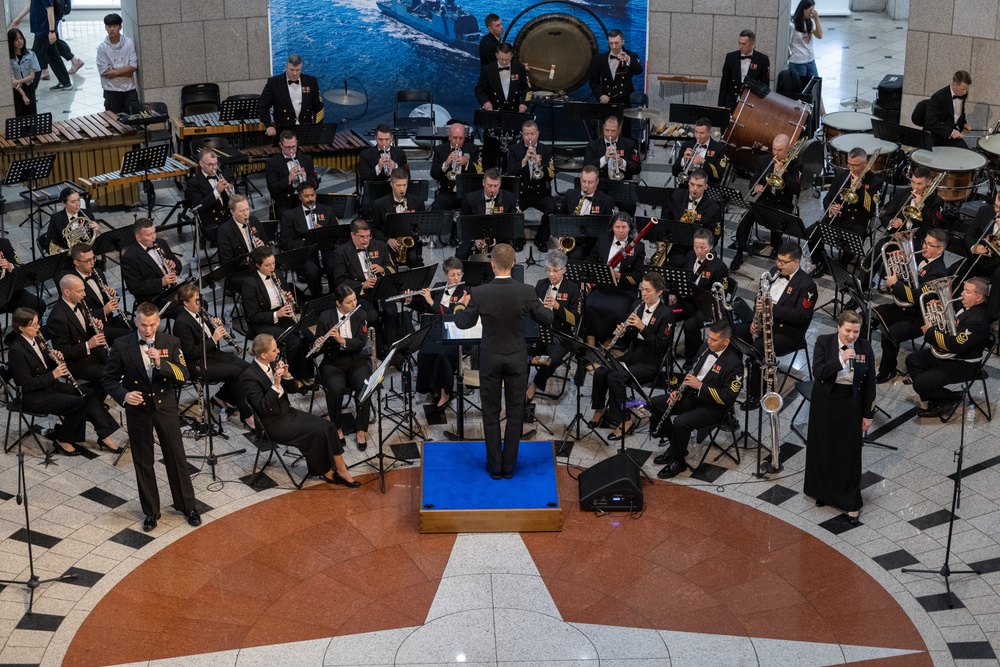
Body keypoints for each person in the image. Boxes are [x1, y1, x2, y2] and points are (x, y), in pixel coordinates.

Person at [453, 243, 553, 479]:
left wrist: (460, 304)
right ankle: (509, 468)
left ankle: (494, 468)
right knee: (516, 412)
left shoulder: (479, 293)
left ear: (492, 264)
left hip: (490, 358)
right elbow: (547, 318)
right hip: (517, 358)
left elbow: (462, 323)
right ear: (514, 264)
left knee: (491, 413)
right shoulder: (527, 291)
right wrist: (545, 304)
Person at [103, 302, 201, 532]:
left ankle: (188, 506)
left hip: (164, 405)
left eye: (152, 324)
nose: (148, 330)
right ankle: (150, 511)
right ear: (136, 321)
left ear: (158, 322)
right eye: (144, 325)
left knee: (175, 455)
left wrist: (161, 362)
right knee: (143, 460)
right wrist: (125, 395)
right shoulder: (121, 344)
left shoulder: (170, 341)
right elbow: (108, 379)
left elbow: (183, 375)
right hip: (138, 409)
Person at [241, 334, 359, 486]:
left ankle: (341, 469)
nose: (278, 352)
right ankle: (327, 471)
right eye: (274, 350)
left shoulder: (273, 363)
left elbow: (292, 390)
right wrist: (276, 384)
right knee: (316, 432)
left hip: (287, 413)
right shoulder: (249, 376)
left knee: (329, 426)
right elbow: (263, 407)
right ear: (264, 355)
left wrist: (287, 375)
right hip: (272, 423)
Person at [9, 307, 121, 456]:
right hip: (32, 397)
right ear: (21, 328)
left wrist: (54, 358)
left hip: (48, 386)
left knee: (88, 393)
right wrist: (54, 375)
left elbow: (43, 364)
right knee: (78, 403)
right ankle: (64, 439)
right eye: (34, 325)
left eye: (38, 323)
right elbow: (26, 385)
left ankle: (105, 436)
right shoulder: (16, 350)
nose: (38, 327)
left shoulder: (36, 338)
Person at [804, 310, 874, 525]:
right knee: (823, 447)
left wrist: (868, 414)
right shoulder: (824, 342)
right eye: (848, 331)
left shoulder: (865, 347)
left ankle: (850, 503)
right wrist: (840, 359)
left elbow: (870, 383)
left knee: (848, 453)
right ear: (838, 327)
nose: (852, 335)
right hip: (826, 402)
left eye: (856, 331)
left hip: (850, 403)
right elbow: (819, 371)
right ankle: (823, 493)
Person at [650, 320, 742, 478]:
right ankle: (675, 447)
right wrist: (678, 390)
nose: (709, 342)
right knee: (655, 404)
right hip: (691, 395)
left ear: (726, 341)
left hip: (713, 407)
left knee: (681, 421)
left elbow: (728, 398)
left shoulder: (735, 365)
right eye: (709, 337)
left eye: (714, 340)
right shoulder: (704, 348)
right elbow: (691, 372)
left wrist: (700, 386)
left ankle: (678, 461)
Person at [589, 272, 673, 438]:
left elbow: (661, 346)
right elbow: (631, 338)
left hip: (650, 362)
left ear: (659, 292)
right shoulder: (639, 306)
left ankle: (624, 420)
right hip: (633, 354)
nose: (644, 294)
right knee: (601, 371)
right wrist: (622, 332)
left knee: (615, 377)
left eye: (648, 291)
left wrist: (643, 327)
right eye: (643, 289)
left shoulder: (667, 314)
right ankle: (600, 408)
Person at [734, 241, 816, 410]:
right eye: (778, 260)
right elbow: (760, 297)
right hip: (764, 325)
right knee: (734, 334)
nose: (778, 265)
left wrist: (773, 308)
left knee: (757, 349)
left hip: (788, 332)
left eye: (783, 262)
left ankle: (755, 395)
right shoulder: (773, 273)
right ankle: (732, 377)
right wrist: (756, 321)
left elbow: (801, 316)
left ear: (795, 262)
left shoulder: (807, 286)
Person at [906, 277, 991, 420]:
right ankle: (939, 399)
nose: (962, 293)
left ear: (979, 297)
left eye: (967, 292)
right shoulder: (966, 307)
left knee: (920, 384)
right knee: (912, 360)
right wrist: (941, 308)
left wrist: (930, 332)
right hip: (952, 357)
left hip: (963, 364)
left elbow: (955, 345)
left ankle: (950, 398)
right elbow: (952, 324)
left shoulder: (978, 320)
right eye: (964, 290)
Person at [172, 283, 250, 424]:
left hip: (212, 354)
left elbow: (205, 334)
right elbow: (190, 354)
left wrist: (214, 324)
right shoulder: (181, 323)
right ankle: (247, 416)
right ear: (185, 303)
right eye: (196, 300)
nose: (200, 302)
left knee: (247, 368)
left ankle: (221, 397)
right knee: (236, 373)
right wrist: (214, 338)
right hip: (197, 364)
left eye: (199, 298)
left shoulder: (200, 311)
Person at [731, 134, 802, 271]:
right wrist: (755, 187)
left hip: (782, 203)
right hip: (764, 199)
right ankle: (739, 251)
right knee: (745, 218)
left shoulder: (796, 164)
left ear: (788, 149)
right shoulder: (765, 160)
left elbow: (796, 189)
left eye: (779, 150)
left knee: (776, 220)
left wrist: (783, 172)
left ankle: (776, 246)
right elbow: (754, 180)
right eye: (774, 149)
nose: (775, 153)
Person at [406, 256, 468, 414]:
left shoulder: (465, 292)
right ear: (445, 275)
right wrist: (410, 300)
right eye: (452, 275)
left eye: (459, 274)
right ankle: (433, 388)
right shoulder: (439, 286)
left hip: (454, 333)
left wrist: (432, 302)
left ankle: (445, 392)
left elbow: (454, 315)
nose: (456, 278)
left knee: (441, 354)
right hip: (434, 331)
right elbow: (424, 307)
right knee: (424, 352)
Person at [315, 285, 372, 451]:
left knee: (365, 386)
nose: (354, 303)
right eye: (349, 302)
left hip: (355, 359)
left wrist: (342, 340)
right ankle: (337, 428)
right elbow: (318, 343)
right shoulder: (326, 317)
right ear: (338, 303)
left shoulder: (360, 314)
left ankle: (361, 429)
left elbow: (361, 342)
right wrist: (318, 345)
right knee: (335, 389)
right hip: (333, 362)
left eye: (354, 299)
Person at [809, 146, 883, 275]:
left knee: (853, 240)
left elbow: (871, 209)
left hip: (857, 222)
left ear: (865, 164)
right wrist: (832, 207)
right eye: (849, 164)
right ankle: (821, 262)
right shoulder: (842, 176)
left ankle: (842, 266)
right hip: (838, 218)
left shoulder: (875, 181)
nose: (850, 168)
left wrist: (860, 189)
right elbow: (828, 198)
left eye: (854, 165)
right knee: (811, 233)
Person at [243, 246, 312, 382]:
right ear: (257, 265)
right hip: (264, 323)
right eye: (268, 265)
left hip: (282, 316)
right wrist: (276, 314)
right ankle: (293, 376)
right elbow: (252, 316)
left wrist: (290, 300)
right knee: (294, 341)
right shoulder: (250, 284)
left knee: (307, 335)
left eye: (273, 263)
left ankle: (308, 373)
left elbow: (285, 297)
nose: (272, 267)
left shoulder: (277, 275)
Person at [526, 251, 581, 402]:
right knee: (523, 350)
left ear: (564, 270)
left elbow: (575, 319)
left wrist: (557, 306)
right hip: (540, 330)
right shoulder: (541, 284)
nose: (551, 274)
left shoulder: (573, 289)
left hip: (561, 334)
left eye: (555, 271)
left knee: (553, 359)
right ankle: (520, 383)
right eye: (548, 270)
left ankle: (535, 384)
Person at [584, 212, 645, 345]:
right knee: (589, 304)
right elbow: (591, 260)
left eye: (624, 227)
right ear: (612, 227)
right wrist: (587, 279)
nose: (621, 231)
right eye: (617, 227)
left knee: (617, 310)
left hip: (624, 289)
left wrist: (619, 276)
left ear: (629, 228)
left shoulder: (638, 246)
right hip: (603, 286)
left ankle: (608, 343)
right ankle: (591, 342)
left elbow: (637, 276)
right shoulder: (603, 239)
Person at [670, 228, 729, 365]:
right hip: (688, 302)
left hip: (706, 308)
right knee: (668, 313)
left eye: (703, 247)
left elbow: (720, 297)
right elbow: (684, 278)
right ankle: (665, 350)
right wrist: (675, 292)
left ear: (711, 247)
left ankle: (694, 356)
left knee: (690, 325)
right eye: (696, 247)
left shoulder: (719, 267)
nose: (699, 251)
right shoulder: (690, 256)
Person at [44, 274, 110, 395]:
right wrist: (88, 345)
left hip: (90, 352)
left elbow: (82, 328)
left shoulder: (79, 302)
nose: (84, 294)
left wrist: (95, 324)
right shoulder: (58, 318)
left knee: (117, 363)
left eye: (83, 290)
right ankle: (92, 401)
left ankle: (97, 396)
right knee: (107, 374)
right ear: (67, 292)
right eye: (80, 291)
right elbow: (63, 351)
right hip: (76, 361)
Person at [327, 218, 396, 328]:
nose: (366, 240)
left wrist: (382, 269)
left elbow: (392, 268)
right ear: (353, 235)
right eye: (362, 237)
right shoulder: (341, 253)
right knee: (372, 316)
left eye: (368, 236)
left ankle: (392, 343)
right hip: (359, 293)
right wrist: (362, 285)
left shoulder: (380, 245)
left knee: (391, 312)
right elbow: (340, 281)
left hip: (380, 288)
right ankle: (378, 344)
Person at [475, 42, 531, 169]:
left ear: (511, 56)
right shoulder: (488, 69)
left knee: (512, 151)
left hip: (513, 114)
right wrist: (485, 102)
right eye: (501, 59)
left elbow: (528, 90)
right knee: (490, 151)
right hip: (494, 115)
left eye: (507, 59)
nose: (504, 62)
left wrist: (524, 104)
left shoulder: (519, 68)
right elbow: (479, 89)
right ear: (496, 55)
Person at [505, 120, 557, 251]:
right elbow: (510, 172)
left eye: (532, 133)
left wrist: (540, 165)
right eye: (526, 134)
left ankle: (541, 238)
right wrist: (524, 161)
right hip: (521, 193)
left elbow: (551, 174)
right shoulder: (514, 149)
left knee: (553, 209)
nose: (529, 137)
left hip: (540, 193)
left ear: (538, 134)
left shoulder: (546, 150)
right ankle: (518, 238)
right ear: (522, 135)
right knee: (511, 209)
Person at [64, 243, 131, 343]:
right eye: (88, 261)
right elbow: (79, 316)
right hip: (95, 329)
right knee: (131, 336)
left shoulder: (98, 272)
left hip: (110, 320)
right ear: (77, 262)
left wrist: (113, 295)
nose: (92, 263)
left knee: (140, 327)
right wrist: (103, 311)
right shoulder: (73, 283)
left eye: (93, 258)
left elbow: (110, 300)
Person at [279, 182, 336, 298]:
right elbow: (285, 243)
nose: (310, 199)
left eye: (312, 195)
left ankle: (335, 296)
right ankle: (318, 298)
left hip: (325, 249)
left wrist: (324, 231)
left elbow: (336, 234)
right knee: (312, 270)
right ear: (300, 197)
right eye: (306, 196)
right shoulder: (290, 215)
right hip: (305, 253)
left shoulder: (327, 210)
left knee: (335, 266)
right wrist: (309, 240)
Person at [456, 168, 520, 260]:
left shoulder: (510, 198)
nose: (492, 190)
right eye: (489, 185)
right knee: (461, 254)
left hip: (499, 237)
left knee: (508, 257)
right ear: (483, 183)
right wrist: (475, 237)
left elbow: (512, 225)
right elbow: (464, 223)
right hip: (475, 235)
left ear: (500, 184)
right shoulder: (470, 198)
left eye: (495, 186)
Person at [662, 169, 723, 265]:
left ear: (706, 187)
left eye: (699, 186)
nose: (694, 189)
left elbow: (714, 237)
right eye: (692, 184)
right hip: (677, 245)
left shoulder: (713, 208)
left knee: (684, 262)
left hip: (698, 249)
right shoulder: (677, 195)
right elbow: (666, 218)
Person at [369, 167, 426, 267]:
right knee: (387, 263)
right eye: (398, 185)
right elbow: (373, 228)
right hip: (389, 243)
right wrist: (388, 240)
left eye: (404, 185)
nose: (402, 189)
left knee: (415, 260)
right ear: (391, 184)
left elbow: (423, 224)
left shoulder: (417, 202)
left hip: (410, 242)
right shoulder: (379, 204)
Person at [583, 116, 641, 209]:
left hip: (622, 184)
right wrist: (604, 159)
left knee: (629, 205)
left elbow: (637, 168)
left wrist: (622, 162)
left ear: (619, 129)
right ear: (603, 127)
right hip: (600, 185)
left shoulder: (630, 144)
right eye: (607, 130)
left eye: (613, 131)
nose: (609, 134)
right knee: (596, 205)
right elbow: (586, 167)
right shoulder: (593, 145)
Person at [258, 54, 325, 136]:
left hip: (306, 128)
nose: (294, 73)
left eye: (298, 70)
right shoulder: (274, 83)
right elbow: (262, 107)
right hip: (283, 130)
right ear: (286, 67)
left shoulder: (311, 82)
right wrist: (268, 125)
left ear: (301, 68)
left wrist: (317, 126)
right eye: (291, 69)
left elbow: (318, 106)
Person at [957, 193, 1000, 321]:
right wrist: (974, 247)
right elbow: (970, 234)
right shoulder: (985, 211)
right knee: (958, 269)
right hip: (982, 257)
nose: (997, 211)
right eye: (996, 206)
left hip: (998, 264)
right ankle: (955, 306)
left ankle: (990, 317)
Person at [558, 165, 614, 260]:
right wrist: (561, 235)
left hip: (595, 242)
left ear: (597, 182)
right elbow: (560, 216)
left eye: (590, 182)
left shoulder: (606, 200)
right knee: (574, 257)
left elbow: (608, 228)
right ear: (580, 180)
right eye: (584, 181)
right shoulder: (570, 194)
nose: (586, 185)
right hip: (574, 240)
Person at [121, 218, 181, 304]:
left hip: (173, 290)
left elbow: (176, 263)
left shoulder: (161, 243)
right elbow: (135, 287)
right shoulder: (130, 257)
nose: (154, 237)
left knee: (199, 301)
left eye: (154, 232)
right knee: (185, 309)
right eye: (149, 235)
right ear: (139, 237)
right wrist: (161, 282)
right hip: (153, 298)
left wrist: (174, 265)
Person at [430, 122, 483, 217]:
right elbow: (434, 174)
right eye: (455, 138)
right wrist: (446, 164)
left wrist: (467, 163)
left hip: (467, 193)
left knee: (477, 209)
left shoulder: (473, 149)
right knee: (436, 208)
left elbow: (480, 172)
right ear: (449, 137)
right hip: (447, 192)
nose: (458, 141)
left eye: (461, 138)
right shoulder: (439, 150)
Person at [216, 193, 265, 295]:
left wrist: (263, 245)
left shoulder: (254, 220)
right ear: (232, 211)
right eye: (242, 211)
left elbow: (267, 242)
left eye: (247, 209)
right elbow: (226, 262)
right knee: (257, 286)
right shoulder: (224, 230)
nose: (246, 214)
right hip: (239, 272)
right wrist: (248, 260)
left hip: (260, 266)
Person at [184, 148, 235, 245]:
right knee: (227, 237)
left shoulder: (223, 176)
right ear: (201, 164)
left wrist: (231, 190)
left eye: (216, 164)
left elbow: (234, 200)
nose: (214, 168)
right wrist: (217, 192)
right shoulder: (193, 183)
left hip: (228, 218)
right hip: (211, 223)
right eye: (210, 165)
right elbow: (199, 206)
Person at [265, 129, 319, 220]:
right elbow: (272, 188)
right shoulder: (272, 163)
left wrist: (305, 179)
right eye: (288, 147)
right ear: (280, 145)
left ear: (297, 143)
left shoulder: (306, 159)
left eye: (294, 147)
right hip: (285, 203)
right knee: (289, 218)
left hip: (305, 200)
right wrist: (289, 179)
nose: (291, 151)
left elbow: (316, 184)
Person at [22, 0, 72, 91]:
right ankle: (65, 82)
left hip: (44, 30)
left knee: (35, 58)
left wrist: (52, 31)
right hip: (43, 29)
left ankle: (31, 90)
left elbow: (50, 9)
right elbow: (31, 3)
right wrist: (19, 18)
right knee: (53, 55)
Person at [95, 13, 139, 113]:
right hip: (111, 91)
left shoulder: (129, 43)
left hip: (129, 89)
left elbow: (133, 66)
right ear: (105, 27)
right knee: (113, 123)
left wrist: (115, 73)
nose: (111, 29)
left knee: (134, 120)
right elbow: (105, 73)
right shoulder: (102, 48)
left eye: (114, 26)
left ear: (120, 27)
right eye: (109, 26)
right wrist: (126, 72)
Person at [718, 29, 770, 110]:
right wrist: (721, 104)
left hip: (751, 101)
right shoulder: (731, 57)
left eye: (744, 44)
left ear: (752, 44)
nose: (740, 46)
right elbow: (725, 82)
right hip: (731, 99)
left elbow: (765, 85)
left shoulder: (762, 59)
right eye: (739, 43)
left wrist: (762, 107)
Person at [589, 29, 643, 106]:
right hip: (607, 101)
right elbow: (594, 81)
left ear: (623, 42)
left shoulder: (632, 56)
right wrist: (600, 95)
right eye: (611, 43)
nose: (614, 46)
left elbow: (639, 71)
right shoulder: (601, 59)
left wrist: (628, 60)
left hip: (624, 100)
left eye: (616, 43)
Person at [671, 118, 728, 186]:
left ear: (709, 133)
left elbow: (718, 175)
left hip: (707, 186)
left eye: (701, 133)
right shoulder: (687, 145)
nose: (698, 136)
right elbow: (674, 172)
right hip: (688, 185)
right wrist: (683, 160)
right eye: (696, 132)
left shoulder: (720, 149)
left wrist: (703, 162)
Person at [923, 70, 972, 148]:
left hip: (950, 133)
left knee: (966, 154)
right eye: (963, 89)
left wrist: (963, 124)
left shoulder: (963, 94)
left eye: (966, 89)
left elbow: (960, 111)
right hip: (935, 134)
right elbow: (931, 122)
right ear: (954, 84)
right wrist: (951, 132)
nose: (965, 92)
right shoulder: (938, 97)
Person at [0, 238, 47, 317]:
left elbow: (19, 266)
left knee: (38, 304)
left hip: (10, 291)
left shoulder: (4, 243)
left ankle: (27, 328)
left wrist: (9, 266)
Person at [45, 187, 98, 255]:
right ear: (64, 204)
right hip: (68, 256)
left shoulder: (87, 213)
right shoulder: (56, 218)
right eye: (73, 202)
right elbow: (48, 244)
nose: (77, 204)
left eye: (78, 200)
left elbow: (94, 240)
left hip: (86, 252)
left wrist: (96, 232)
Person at [358, 124, 410, 189]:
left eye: (387, 139)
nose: (384, 143)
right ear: (375, 139)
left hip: (395, 190)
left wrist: (395, 166)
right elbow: (364, 178)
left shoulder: (400, 153)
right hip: (375, 191)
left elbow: (408, 176)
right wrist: (378, 167)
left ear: (391, 138)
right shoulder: (365, 154)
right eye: (380, 139)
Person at [788, 0, 823, 81]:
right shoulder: (792, 25)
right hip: (798, 62)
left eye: (813, 10)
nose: (812, 13)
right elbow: (787, 43)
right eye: (810, 10)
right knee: (800, 87)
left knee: (815, 85)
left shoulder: (810, 21)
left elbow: (819, 35)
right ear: (803, 9)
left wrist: (816, 18)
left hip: (810, 60)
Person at [9, 28, 39, 116]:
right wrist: (23, 95)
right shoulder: (9, 59)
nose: (19, 41)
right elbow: (12, 80)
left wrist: (18, 81)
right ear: (11, 42)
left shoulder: (31, 55)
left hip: (29, 87)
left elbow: (32, 76)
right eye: (15, 40)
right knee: (20, 115)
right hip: (17, 90)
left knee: (32, 115)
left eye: (21, 38)